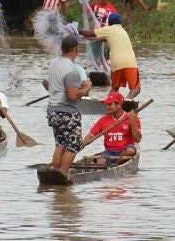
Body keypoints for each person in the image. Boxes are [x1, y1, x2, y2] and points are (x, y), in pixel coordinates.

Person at [43, 35, 93, 175]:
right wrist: (86, 88)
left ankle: (55, 172)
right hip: (66, 112)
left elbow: (46, 83)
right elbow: (72, 96)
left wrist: (57, 89)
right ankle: (63, 173)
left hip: (52, 110)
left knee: (61, 144)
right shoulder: (72, 70)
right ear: (76, 49)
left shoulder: (54, 63)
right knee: (74, 145)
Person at [82, 13, 141, 99]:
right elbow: (96, 37)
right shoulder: (123, 31)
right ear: (120, 23)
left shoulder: (108, 30)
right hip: (129, 62)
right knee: (135, 89)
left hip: (116, 63)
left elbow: (91, 34)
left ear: (109, 22)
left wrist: (78, 31)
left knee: (114, 88)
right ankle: (125, 101)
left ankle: (108, 102)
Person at [80, 91, 141, 165]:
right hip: (110, 152)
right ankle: (112, 163)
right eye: (106, 104)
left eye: (110, 104)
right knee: (97, 162)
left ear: (119, 105)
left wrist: (133, 122)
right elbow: (90, 136)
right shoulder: (103, 120)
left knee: (130, 151)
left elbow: (137, 139)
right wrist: (80, 145)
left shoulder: (132, 118)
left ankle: (114, 164)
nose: (107, 107)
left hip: (126, 150)